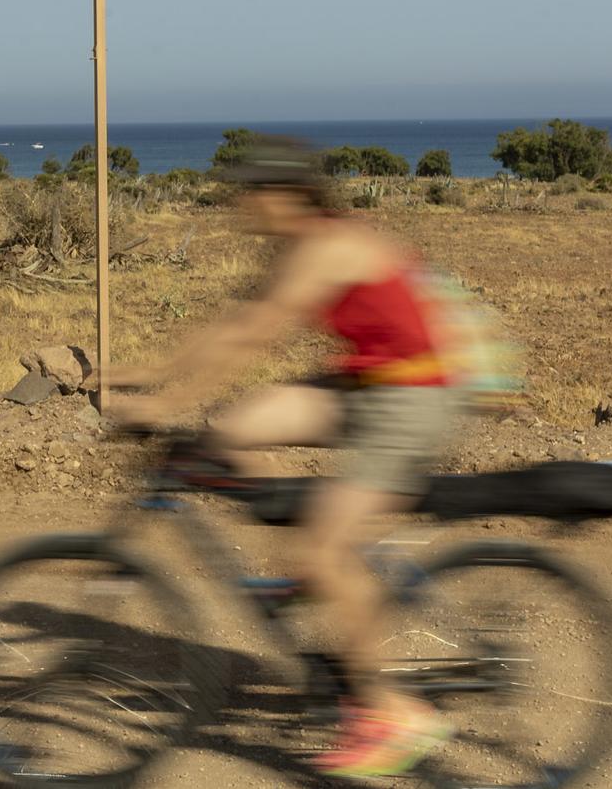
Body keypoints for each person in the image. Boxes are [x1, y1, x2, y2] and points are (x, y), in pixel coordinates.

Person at [97, 137, 461, 779]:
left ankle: (393, 714)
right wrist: (155, 371)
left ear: (284, 196)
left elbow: (257, 334)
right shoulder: (296, 247)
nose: (239, 203)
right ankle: (305, 567)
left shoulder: (327, 247)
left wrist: (164, 403)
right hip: (367, 385)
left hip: (412, 397)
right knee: (233, 429)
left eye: (249, 192)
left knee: (324, 550)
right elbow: (233, 322)